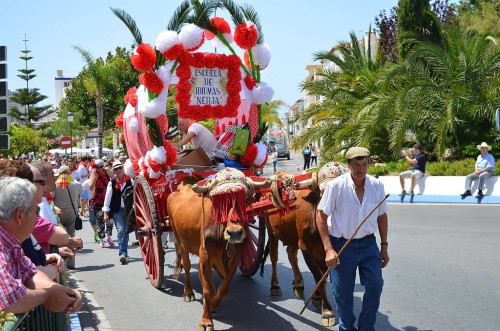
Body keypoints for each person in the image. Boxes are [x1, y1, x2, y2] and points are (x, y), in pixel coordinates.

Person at [316, 147, 389, 331]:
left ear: (369, 165)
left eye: (364, 164)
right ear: (348, 165)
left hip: (368, 244)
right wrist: (328, 249)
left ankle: (366, 327)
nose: (360, 169)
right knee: (343, 293)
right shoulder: (336, 186)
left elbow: (382, 216)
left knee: (375, 284)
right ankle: (347, 327)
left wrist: (384, 246)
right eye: (356, 165)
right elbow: (321, 215)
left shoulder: (377, 186)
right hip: (342, 246)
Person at [0, 176, 83, 314]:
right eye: (36, 212)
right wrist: (47, 295)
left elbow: (30, 272)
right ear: (20, 215)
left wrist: (56, 290)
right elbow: (10, 301)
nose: (37, 218)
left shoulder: (11, 242)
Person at [103, 161, 134, 264]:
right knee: (121, 231)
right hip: (117, 211)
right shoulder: (112, 183)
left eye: (119, 168)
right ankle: (123, 253)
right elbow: (107, 199)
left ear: (123, 169)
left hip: (128, 210)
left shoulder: (131, 181)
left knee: (126, 231)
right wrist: (105, 213)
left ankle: (123, 251)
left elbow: (136, 195)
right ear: (114, 172)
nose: (118, 170)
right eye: (115, 169)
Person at [52, 166, 83, 269]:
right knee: (71, 237)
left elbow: (51, 197)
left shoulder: (55, 185)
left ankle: (61, 263)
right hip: (71, 213)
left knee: (59, 238)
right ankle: (71, 263)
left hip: (59, 214)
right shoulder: (75, 184)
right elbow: (82, 191)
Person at [89, 159, 115, 247]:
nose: (99, 169)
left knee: (110, 219)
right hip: (98, 200)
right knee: (99, 220)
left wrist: (109, 171)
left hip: (108, 200)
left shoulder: (106, 172)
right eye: (97, 167)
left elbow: (114, 179)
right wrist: (95, 178)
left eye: (101, 167)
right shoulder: (94, 173)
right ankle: (101, 239)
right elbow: (91, 187)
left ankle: (109, 237)